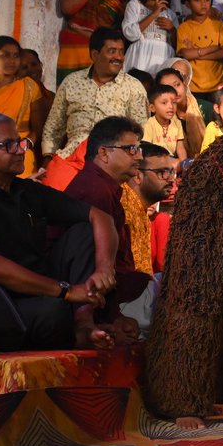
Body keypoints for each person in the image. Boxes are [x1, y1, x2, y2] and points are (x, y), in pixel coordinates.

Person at [0, 112, 118, 352]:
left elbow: (100, 217)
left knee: (84, 232)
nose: (22, 150)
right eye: (9, 145)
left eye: (22, 142)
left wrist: (104, 270)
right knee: (54, 312)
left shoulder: (24, 190)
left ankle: (84, 325)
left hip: (40, 288)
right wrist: (67, 292)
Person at [63, 116, 152, 338]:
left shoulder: (109, 188)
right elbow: (92, 262)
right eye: (131, 149)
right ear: (103, 153)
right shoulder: (95, 189)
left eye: (139, 149)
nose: (139, 156)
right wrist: (110, 317)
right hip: (82, 295)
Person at [42, 27, 148, 160]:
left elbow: (141, 134)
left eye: (121, 52)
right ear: (94, 55)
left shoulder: (134, 87)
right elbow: (53, 127)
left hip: (112, 161)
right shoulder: (71, 82)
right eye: (112, 51)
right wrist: (47, 159)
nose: (118, 57)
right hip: (71, 158)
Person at [0, 36, 46, 176]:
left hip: (20, 152)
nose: (11, 61)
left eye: (15, 55)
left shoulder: (29, 86)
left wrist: (24, 145)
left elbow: (39, 129)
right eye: (5, 55)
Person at [175, 0, 223, 117]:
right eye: (198, 0)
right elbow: (185, 54)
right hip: (193, 86)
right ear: (188, 4)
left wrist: (197, 53)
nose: (203, 4)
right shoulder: (184, 28)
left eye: (206, 0)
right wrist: (212, 48)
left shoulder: (219, 26)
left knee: (216, 121)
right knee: (196, 120)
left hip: (216, 85)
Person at [126, 141, 177, 275]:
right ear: (138, 176)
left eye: (172, 172)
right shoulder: (123, 210)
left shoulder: (140, 210)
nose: (172, 179)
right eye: (163, 172)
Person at [121, 0, 177, 75]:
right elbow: (130, 34)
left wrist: (172, 29)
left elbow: (177, 46)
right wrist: (154, 14)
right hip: (140, 55)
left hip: (163, 57)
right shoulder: (135, 5)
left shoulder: (170, 14)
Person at [155, 60, 206, 155]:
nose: (175, 91)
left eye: (177, 85)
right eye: (168, 88)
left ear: (185, 84)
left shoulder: (205, 108)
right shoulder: (158, 120)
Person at [142, 84, 187, 160]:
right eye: (164, 103)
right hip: (155, 160)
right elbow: (146, 151)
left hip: (172, 160)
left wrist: (184, 165)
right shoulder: (148, 125)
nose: (171, 106)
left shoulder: (177, 123)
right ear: (152, 108)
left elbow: (180, 149)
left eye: (174, 102)